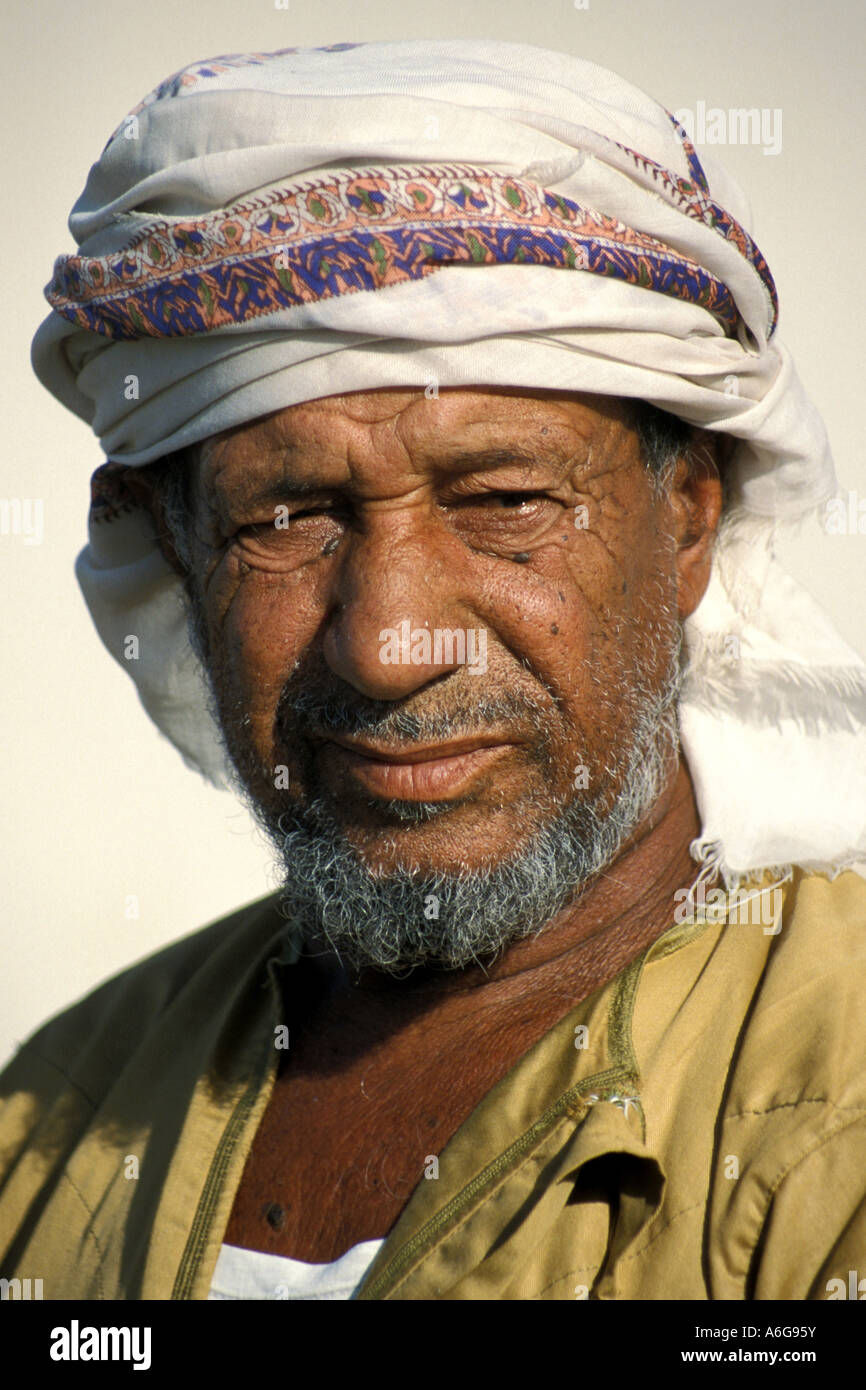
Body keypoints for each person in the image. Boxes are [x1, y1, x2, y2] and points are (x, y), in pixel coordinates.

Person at [2, 38, 865, 1302]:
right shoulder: (59, 1125)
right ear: (178, 555)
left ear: (684, 518)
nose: (388, 642)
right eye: (286, 519)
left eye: (504, 500)